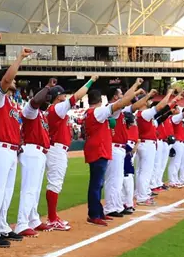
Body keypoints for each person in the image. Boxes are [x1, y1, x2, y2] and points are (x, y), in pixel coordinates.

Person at [0, 48, 32, 248]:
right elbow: (5, 81)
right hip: (0, 149)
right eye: (12, 78)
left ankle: (2, 225)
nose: (15, 81)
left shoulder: (11, 102)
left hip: (11, 150)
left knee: (6, 192)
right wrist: (19, 57)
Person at [84, 80, 140, 226]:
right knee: (96, 184)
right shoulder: (97, 111)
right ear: (100, 100)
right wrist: (135, 91)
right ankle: (94, 214)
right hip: (99, 150)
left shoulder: (91, 112)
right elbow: (121, 103)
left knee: (98, 183)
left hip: (98, 149)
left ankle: (99, 211)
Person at [43, 76, 96, 230]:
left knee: (55, 183)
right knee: (54, 182)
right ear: (57, 97)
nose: (64, 96)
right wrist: (91, 80)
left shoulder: (54, 110)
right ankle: (52, 218)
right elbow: (77, 97)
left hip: (57, 148)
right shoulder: (56, 109)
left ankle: (53, 216)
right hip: (56, 148)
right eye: (62, 95)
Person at [14, 86, 54, 237]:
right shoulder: (30, 111)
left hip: (40, 152)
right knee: (29, 189)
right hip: (31, 150)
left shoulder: (42, 115)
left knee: (35, 189)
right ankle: (21, 224)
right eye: (46, 96)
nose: (48, 98)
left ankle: (33, 219)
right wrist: (47, 88)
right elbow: (36, 101)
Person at [105, 89, 152, 217]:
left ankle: (118, 205)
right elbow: (127, 100)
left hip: (120, 147)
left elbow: (135, 105)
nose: (123, 97)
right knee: (113, 180)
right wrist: (136, 90)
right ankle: (110, 207)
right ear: (115, 97)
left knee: (118, 179)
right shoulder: (112, 109)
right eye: (120, 94)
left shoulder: (120, 111)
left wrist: (146, 95)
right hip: (114, 146)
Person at [134, 90, 171, 205]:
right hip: (147, 144)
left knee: (141, 171)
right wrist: (168, 93)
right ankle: (142, 197)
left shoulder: (139, 114)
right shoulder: (144, 113)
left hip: (143, 144)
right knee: (145, 171)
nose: (149, 102)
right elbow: (160, 106)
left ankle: (139, 193)